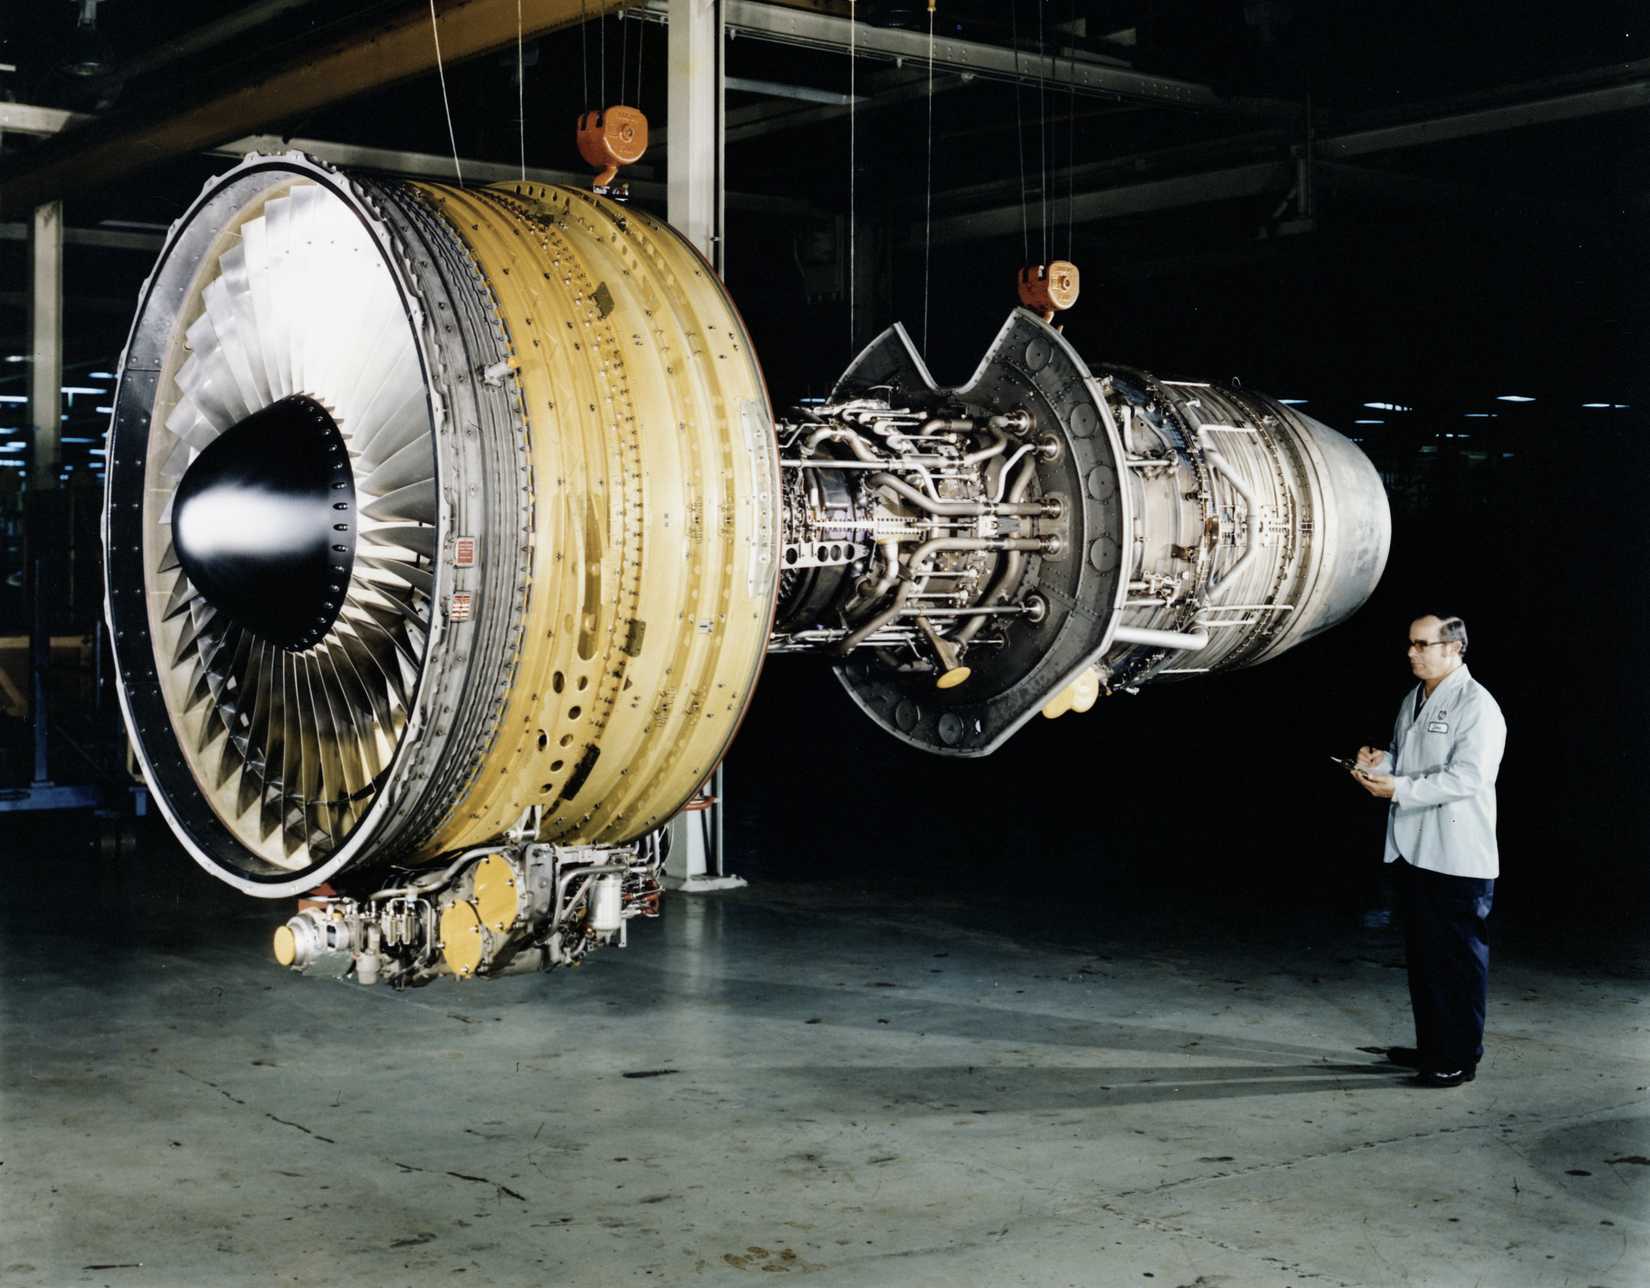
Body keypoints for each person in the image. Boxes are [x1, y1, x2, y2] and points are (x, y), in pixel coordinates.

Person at [1347, 614, 1507, 1089]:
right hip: (1415, 851)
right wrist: (1382, 763)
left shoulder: (1477, 705)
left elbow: (1469, 777)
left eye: (1422, 644)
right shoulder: (1413, 698)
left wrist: (1396, 790)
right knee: (1424, 960)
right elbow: (1408, 756)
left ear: (1454, 647)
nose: (1412, 652)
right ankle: (1433, 1045)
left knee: (1456, 963)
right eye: (1411, 644)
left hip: (1456, 857)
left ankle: (1459, 1058)